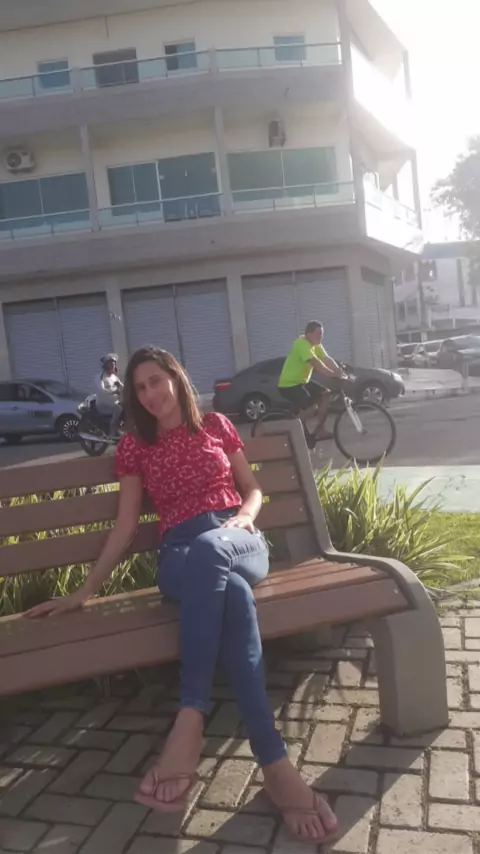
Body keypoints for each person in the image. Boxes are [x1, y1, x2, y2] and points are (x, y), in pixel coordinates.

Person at [25, 346, 339, 846]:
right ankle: (275, 765)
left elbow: (252, 488)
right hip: (179, 556)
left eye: (156, 380)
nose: (150, 393)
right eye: (140, 388)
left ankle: (190, 719)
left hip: (235, 539)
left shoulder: (215, 425)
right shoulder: (135, 447)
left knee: (216, 553)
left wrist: (244, 518)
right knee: (232, 593)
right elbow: (126, 525)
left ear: (175, 377)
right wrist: (85, 590)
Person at [278, 321, 344, 442]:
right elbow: (316, 363)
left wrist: (338, 371)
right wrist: (332, 374)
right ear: (308, 334)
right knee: (312, 408)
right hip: (289, 384)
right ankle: (292, 430)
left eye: (322, 334)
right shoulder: (301, 344)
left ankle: (320, 430)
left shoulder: (316, 345)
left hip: (303, 382)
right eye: (318, 334)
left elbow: (326, 359)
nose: (321, 337)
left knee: (326, 394)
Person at [94, 353, 123, 437]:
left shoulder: (114, 377)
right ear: (105, 366)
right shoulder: (99, 377)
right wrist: (114, 391)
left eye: (113, 364)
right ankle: (112, 431)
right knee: (118, 408)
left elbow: (122, 386)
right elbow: (102, 389)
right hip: (103, 405)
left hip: (114, 403)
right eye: (110, 364)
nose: (112, 366)